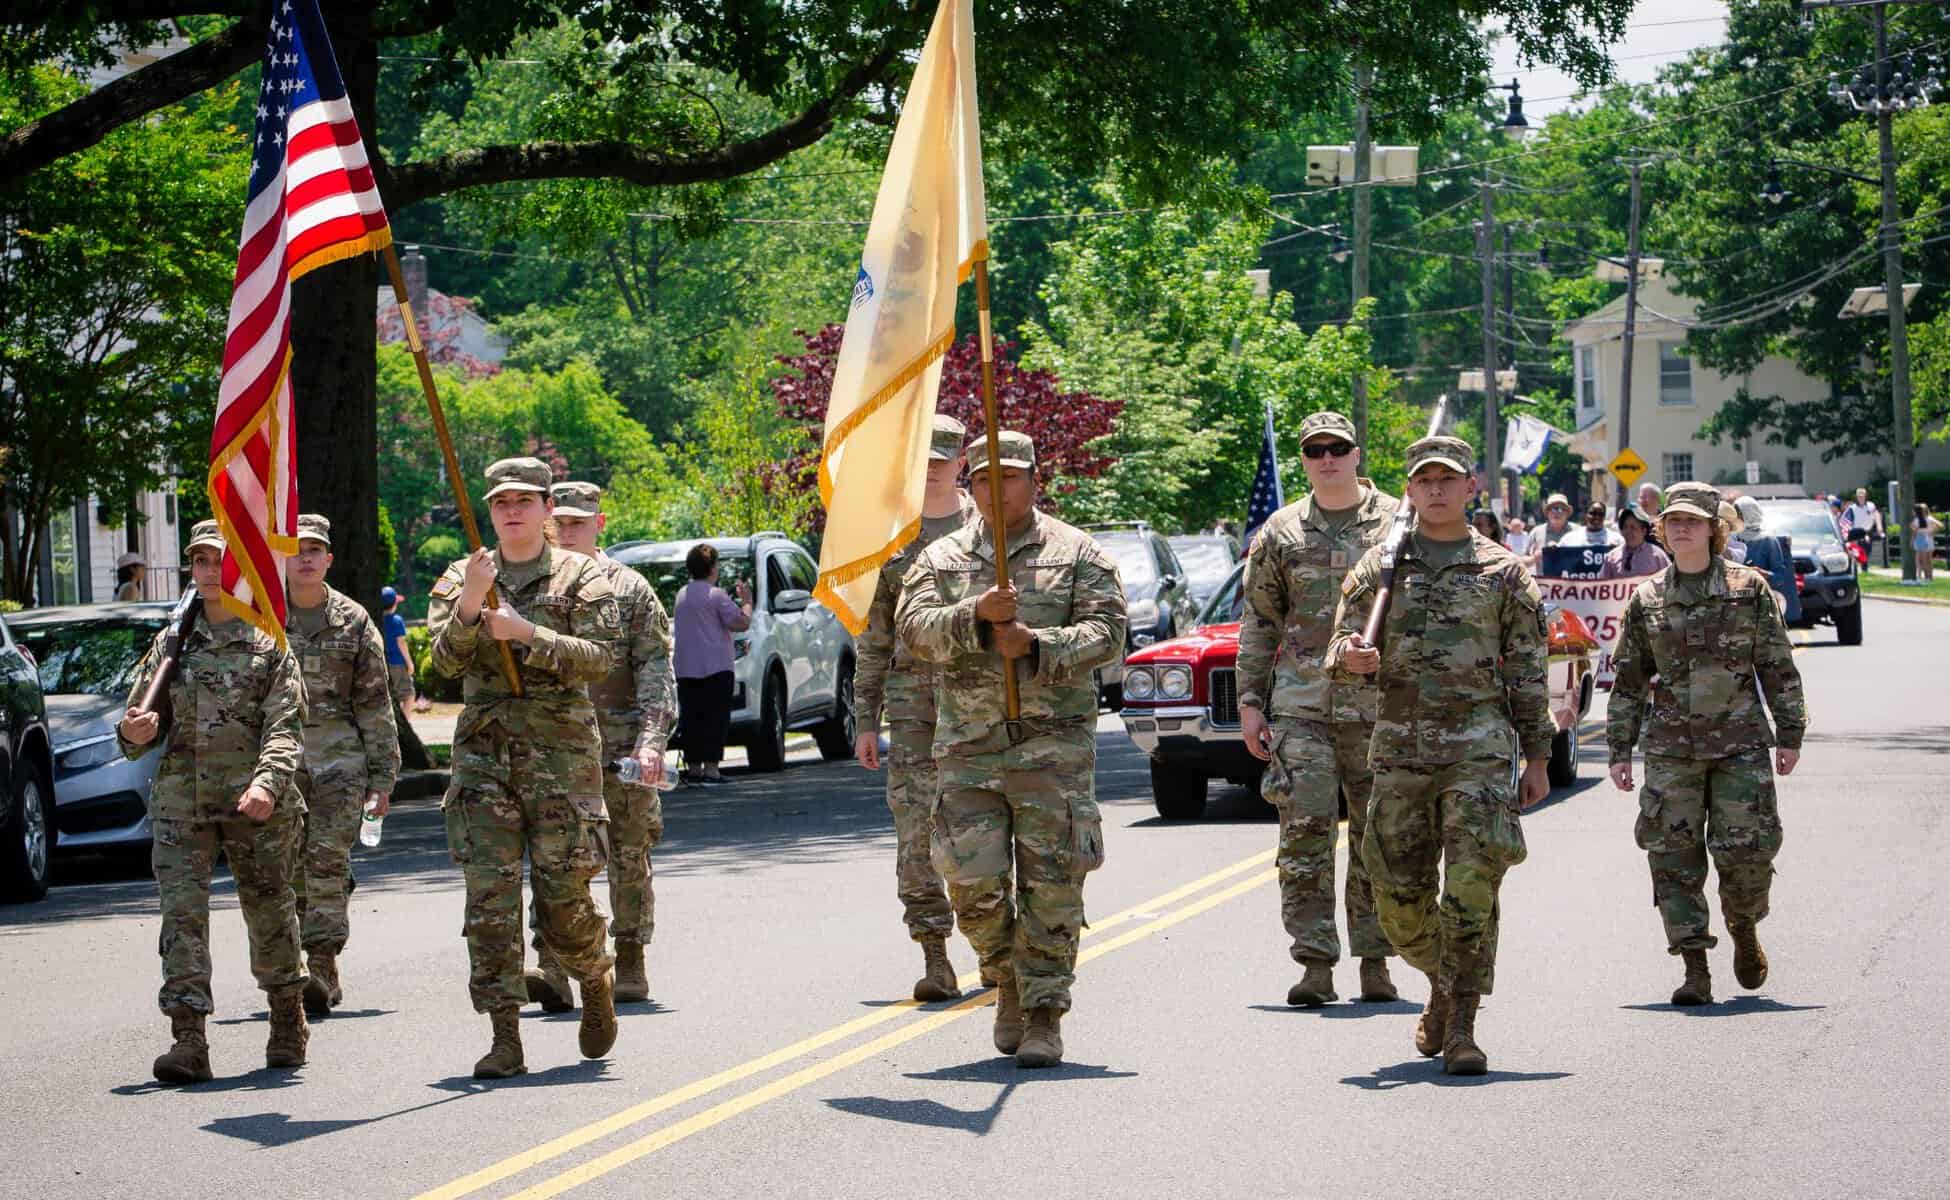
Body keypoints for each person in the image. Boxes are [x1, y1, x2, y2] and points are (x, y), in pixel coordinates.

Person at [896, 430, 1126, 1068]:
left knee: (1053, 888)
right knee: (973, 886)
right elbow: (913, 633)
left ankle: (1044, 1013)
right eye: (984, 479)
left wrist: (1037, 643)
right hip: (968, 750)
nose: (997, 491)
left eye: (1011, 477)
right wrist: (973, 613)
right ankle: (1006, 979)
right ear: (969, 484)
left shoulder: (1078, 553)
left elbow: (1110, 635)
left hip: (1051, 751)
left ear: (1035, 480)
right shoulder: (939, 560)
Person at [1329, 435, 1553, 1076]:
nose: (1435, 489)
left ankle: (1461, 1024)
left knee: (1471, 889)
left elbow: (1529, 674)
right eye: (1423, 479)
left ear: (1469, 487)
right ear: (1409, 489)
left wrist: (1536, 757)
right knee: (1395, 900)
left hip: (1478, 751)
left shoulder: (1504, 572)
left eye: (1447, 479)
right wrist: (1351, 657)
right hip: (1400, 751)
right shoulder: (1379, 567)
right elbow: (1337, 649)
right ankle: (1444, 981)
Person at [428, 456, 622, 1079]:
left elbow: (600, 660)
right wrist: (472, 605)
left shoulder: (579, 575)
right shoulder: (464, 575)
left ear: (545, 509)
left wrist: (527, 633)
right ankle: (504, 1035)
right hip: (484, 757)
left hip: (560, 759)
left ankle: (593, 975)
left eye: (523, 502)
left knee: (565, 902)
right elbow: (442, 666)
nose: (511, 512)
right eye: (500, 503)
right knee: (489, 901)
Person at [116, 519, 310, 1082]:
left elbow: (286, 726)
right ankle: (188, 1039)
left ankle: (286, 1017)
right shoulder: (172, 641)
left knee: (271, 913)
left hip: (258, 805)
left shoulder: (268, 640)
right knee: (182, 920)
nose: (207, 572)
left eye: (218, 561)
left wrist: (267, 784)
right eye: (199, 562)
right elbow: (136, 723)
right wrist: (135, 733)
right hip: (183, 804)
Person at [1606, 482, 1806, 1006]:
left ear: (1715, 529)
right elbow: (1628, 680)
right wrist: (1620, 749)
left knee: (1748, 854)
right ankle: (1694, 965)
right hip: (1672, 750)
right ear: (1663, 532)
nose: (1683, 528)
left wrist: (1791, 733)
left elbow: (1777, 665)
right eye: (1673, 521)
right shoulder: (1646, 598)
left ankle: (1743, 926)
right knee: (1673, 858)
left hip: (1740, 744)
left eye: (1694, 521)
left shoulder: (1748, 589)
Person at [1237, 411, 1402, 1008]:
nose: (1327, 458)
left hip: (1378, 705)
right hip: (1302, 704)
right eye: (1315, 451)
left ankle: (1376, 959)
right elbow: (1259, 623)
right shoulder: (1280, 532)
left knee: (1376, 836)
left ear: (1358, 453)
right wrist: (1251, 703)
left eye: (1338, 448)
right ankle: (1314, 963)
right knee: (1303, 837)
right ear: (1304, 460)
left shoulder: (1397, 523)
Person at [524, 481, 677, 1011]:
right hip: (555, 748)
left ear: (599, 524)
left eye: (577, 522)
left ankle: (630, 957)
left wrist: (652, 742)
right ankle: (552, 963)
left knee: (628, 854)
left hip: (621, 748)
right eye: (560, 522)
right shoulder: (536, 588)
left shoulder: (630, 589)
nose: (567, 531)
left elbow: (656, 669)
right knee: (555, 857)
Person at [852, 415, 981, 1003]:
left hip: (983, 710)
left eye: (941, 458)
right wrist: (865, 720)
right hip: (913, 714)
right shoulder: (890, 541)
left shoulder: (992, 534)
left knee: (982, 833)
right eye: (921, 458)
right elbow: (874, 637)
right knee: (915, 837)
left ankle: (996, 950)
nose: (930, 468)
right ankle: (934, 954)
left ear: (961, 463)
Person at [283, 514, 400, 1018]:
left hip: (339, 763)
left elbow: (375, 703)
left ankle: (323, 963)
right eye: (297, 549)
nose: (306, 558)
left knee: (326, 860)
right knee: (287, 867)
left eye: (315, 550)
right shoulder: (263, 618)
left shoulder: (353, 620)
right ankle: (291, 964)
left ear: (328, 559)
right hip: (280, 762)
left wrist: (383, 779)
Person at [672, 543, 752, 784]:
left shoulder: (682, 594)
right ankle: (711, 770)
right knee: (715, 719)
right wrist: (747, 602)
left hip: (686, 669)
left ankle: (694, 769)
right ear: (712, 568)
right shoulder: (716, 595)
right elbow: (740, 623)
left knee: (693, 719)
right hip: (716, 668)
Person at [1734, 497, 1800, 621]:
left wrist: (1762, 573)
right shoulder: (1732, 539)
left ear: (1750, 514)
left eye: (1739, 513)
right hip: (1736, 604)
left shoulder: (1769, 540)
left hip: (1763, 604)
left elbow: (1780, 576)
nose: (1736, 517)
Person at [379, 586, 425, 714]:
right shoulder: (397, 620)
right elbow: (401, 643)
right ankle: (404, 725)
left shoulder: (377, 620)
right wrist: (409, 663)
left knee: (390, 696)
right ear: (394, 604)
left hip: (383, 663)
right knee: (409, 695)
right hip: (398, 663)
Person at [1599, 504, 1671, 580]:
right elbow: (1601, 585)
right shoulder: (1612, 557)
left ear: (1644, 531)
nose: (1628, 531)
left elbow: (1671, 581)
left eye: (1633, 527)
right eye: (1625, 527)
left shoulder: (1658, 556)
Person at [1527, 493, 1575, 569]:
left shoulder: (1577, 531)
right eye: (1554, 508)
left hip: (1572, 579)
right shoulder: (1536, 532)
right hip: (1544, 580)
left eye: (1562, 509)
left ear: (1567, 513)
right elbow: (1521, 562)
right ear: (1547, 512)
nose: (1558, 512)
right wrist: (1536, 557)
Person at [1842, 487, 1881, 559]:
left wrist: (1879, 526)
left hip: (1868, 531)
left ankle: (1864, 565)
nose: (1861, 498)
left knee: (1867, 549)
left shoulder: (1871, 505)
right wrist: (1846, 532)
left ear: (1865, 496)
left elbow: (1876, 515)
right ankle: (1861, 565)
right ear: (1856, 497)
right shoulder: (1852, 508)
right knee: (1857, 551)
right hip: (1856, 532)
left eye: (1862, 496)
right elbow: (1846, 521)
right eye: (1859, 496)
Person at [1913, 503, 1942, 583]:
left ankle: (1927, 578)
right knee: (1928, 561)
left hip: (1925, 540)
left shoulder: (1926, 518)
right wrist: (1931, 531)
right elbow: (1939, 525)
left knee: (1924, 561)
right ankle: (1929, 577)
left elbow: (1940, 525)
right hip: (1928, 540)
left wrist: (1930, 531)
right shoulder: (1928, 518)